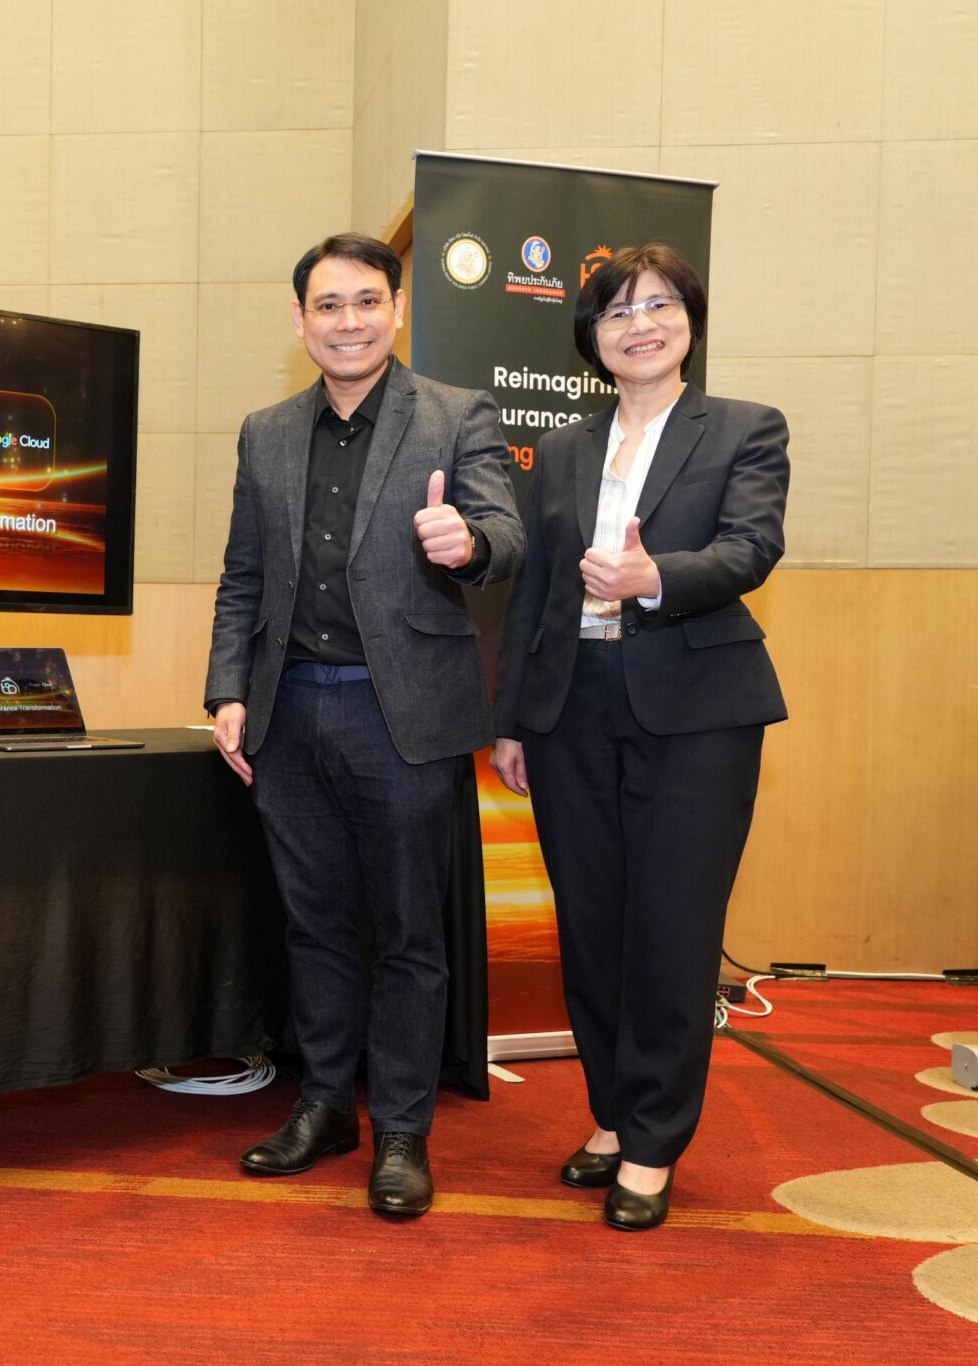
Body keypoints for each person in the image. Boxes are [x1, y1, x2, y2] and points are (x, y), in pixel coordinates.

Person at [204, 233, 522, 1218]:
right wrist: (226, 690)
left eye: (367, 301)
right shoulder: (264, 431)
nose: (348, 321)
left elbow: (508, 540)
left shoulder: (457, 414)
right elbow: (243, 576)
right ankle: (325, 1106)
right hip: (289, 710)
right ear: (300, 321)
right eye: (328, 305)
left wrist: (468, 542)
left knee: (410, 934)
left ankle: (402, 1130)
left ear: (397, 309)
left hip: (405, 714)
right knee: (315, 927)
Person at [490, 243, 787, 1231]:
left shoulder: (744, 427)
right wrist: (514, 720)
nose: (639, 324)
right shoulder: (561, 448)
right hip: (571, 706)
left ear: (688, 321)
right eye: (617, 311)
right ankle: (614, 1115)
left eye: (659, 305)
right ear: (592, 338)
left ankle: (654, 1142)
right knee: (592, 930)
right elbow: (534, 591)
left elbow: (751, 548)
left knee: (669, 931)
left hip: (696, 712)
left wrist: (652, 578)